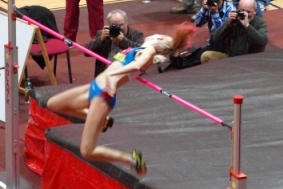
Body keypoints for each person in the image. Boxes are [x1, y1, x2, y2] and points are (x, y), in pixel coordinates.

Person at [46, 28, 194, 176]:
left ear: (159, 39)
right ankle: (104, 121)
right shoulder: (140, 49)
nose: (151, 34)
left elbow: (136, 66)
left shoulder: (150, 51)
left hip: (103, 95)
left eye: (156, 34)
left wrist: (112, 75)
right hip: (95, 86)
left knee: (87, 151)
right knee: (53, 104)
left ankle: (131, 160)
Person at [200, 0, 268, 63]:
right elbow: (215, 40)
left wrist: (247, 26)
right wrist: (227, 23)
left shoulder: (260, 23)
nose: (245, 14)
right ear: (238, 9)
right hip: (232, 58)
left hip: (251, 61)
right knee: (205, 56)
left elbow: (263, 41)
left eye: (248, 12)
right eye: (242, 11)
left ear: (255, 11)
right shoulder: (234, 21)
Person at [86, 9, 145, 77]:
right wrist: (101, 38)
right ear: (109, 24)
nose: (118, 28)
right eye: (114, 25)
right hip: (107, 75)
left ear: (126, 23)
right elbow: (86, 52)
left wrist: (123, 41)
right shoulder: (103, 34)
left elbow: (142, 52)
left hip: (128, 76)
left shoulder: (136, 34)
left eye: (120, 25)